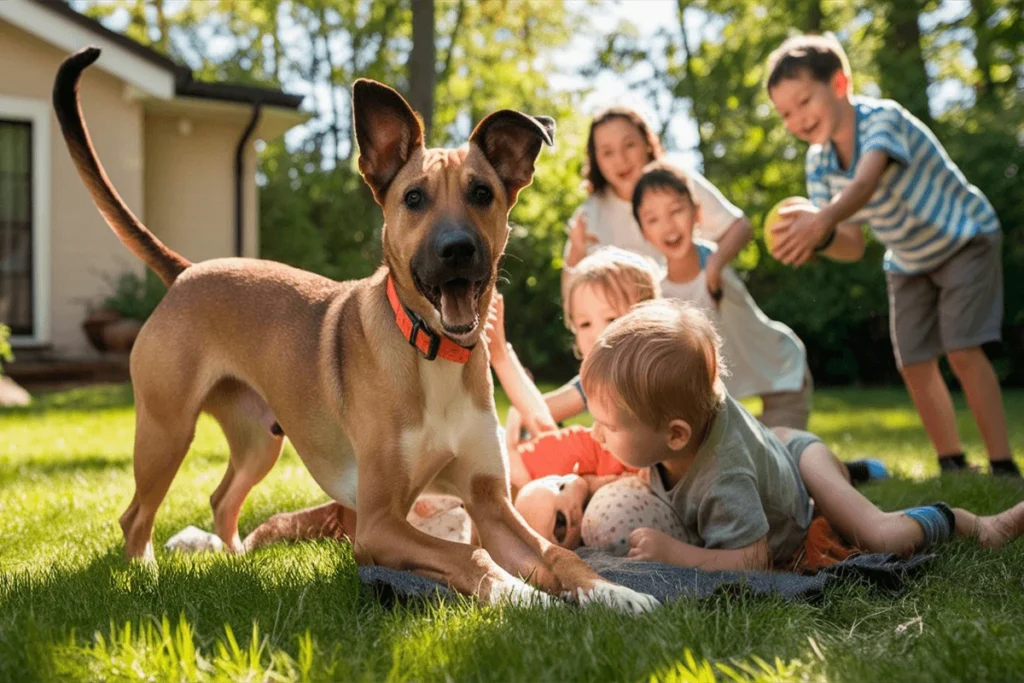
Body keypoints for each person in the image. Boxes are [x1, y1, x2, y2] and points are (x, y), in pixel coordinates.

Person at [577, 300, 1024, 570]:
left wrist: (676, 555)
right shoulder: (676, 419)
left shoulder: (722, 477)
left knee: (880, 535)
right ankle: (857, 470)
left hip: (798, 459)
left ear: (676, 435)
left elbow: (752, 560)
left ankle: (975, 523)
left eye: (609, 426)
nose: (597, 434)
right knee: (830, 486)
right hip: (777, 449)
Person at [765, 33, 1019, 478]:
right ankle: (953, 462)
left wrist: (820, 221)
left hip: (964, 237)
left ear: (840, 84)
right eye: (784, 113)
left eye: (804, 101)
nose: (797, 119)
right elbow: (852, 243)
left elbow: (865, 183)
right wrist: (818, 240)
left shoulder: (882, 119)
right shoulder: (818, 162)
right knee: (914, 361)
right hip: (907, 258)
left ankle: (1002, 464)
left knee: (962, 349)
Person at [633, 160, 818, 432]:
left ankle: (852, 469)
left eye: (676, 210)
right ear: (643, 231)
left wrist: (716, 268)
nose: (668, 225)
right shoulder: (659, 293)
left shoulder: (713, 262)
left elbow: (741, 231)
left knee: (787, 455)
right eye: (653, 219)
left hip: (783, 372)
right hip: (721, 400)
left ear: (697, 214)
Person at [562, 107, 752, 302]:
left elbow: (740, 226)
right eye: (607, 152)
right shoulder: (590, 214)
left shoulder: (675, 181)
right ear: (596, 160)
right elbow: (571, 294)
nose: (620, 159)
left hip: (707, 310)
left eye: (629, 145)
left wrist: (713, 265)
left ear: (646, 143)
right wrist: (577, 250)